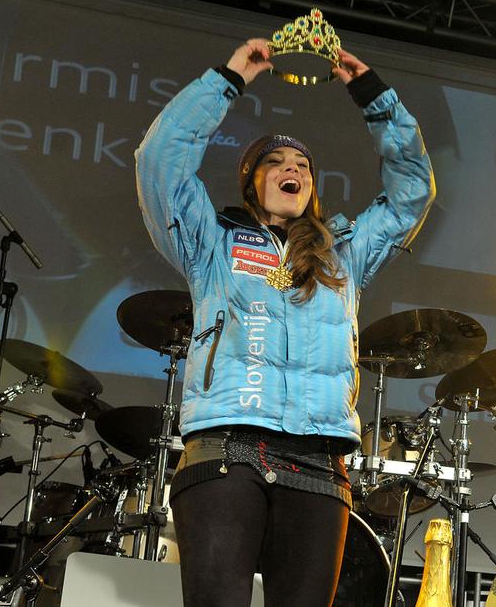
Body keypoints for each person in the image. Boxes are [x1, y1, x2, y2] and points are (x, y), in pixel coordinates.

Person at [135, 38, 434, 606]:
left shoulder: (344, 254)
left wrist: (375, 97)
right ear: (252, 181)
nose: (292, 169)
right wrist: (227, 79)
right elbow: (159, 162)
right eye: (275, 162)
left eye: (302, 165)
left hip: (319, 461)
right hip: (227, 448)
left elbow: (411, 193)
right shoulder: (212, 242)